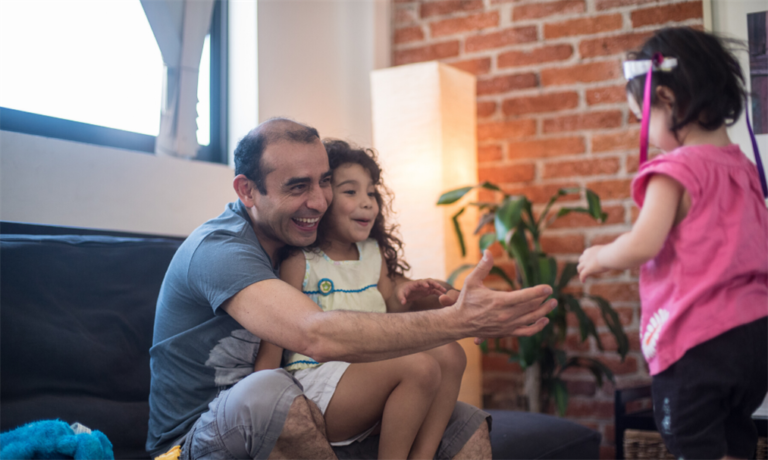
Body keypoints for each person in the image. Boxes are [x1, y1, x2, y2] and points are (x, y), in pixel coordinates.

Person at [147, 117, 558, 460]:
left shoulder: (302, 240)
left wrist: (441, 301)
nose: (319, 201)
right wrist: (459, 320)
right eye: (297, 187)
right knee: (267, 390)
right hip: (198, 438)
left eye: (324, 181)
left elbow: (367, 299)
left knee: (463, 426)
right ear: (247, 190)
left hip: (306, 408)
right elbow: (317, 332)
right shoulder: (219, 249)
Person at [577, 27, 768, 460]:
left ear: (665, 99)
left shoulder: (676, 169)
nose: (644, 136)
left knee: (690, 440)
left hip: (700, 343)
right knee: (736, 439)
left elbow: (644, 243)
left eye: (641, 120)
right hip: (756, 337)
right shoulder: (743, 167)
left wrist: (601, 256)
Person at [254, 139, 465, 460]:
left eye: (371, 192)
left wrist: (409, 294)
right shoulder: (301, 261)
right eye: (351, 192)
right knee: (420, 368)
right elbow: (273, 339)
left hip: (373, 370)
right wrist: (259, 408)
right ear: (323, 200)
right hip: (320, 382)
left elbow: (389, 305)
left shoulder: (372, 254)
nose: (367, 202)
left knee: (452, 354)